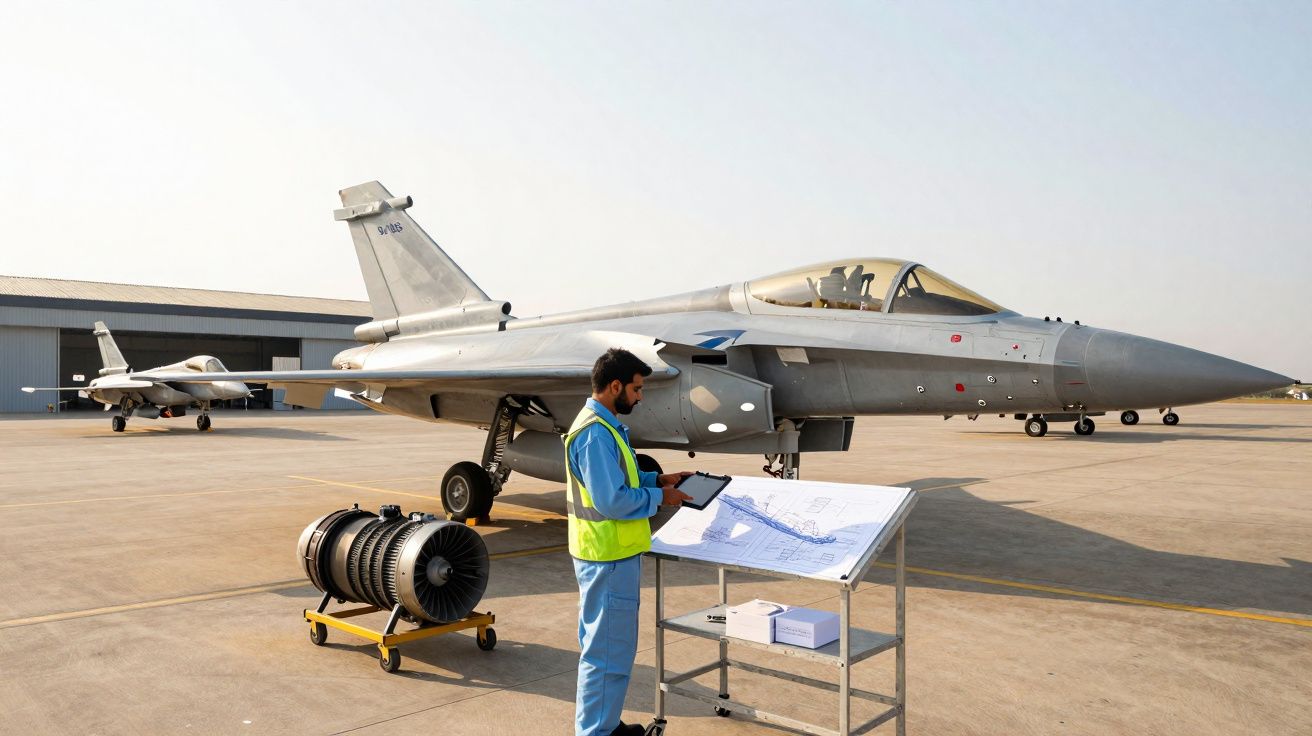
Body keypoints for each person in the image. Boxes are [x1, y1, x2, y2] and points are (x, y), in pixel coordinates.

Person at [566, 348, 693, 736]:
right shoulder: (594, 435)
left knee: (607, 650)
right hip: (608, 558)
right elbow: (613, 501)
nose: (640, 397)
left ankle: (604, 724)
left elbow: (622, 481)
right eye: (637, 389)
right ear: (615, 385)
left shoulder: (603, 428)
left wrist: (659, 480)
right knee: (606, 654)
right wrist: (662, 499)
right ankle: (596, 733)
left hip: (608, 555)